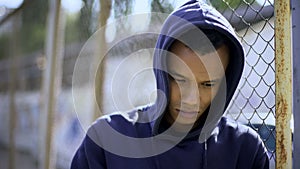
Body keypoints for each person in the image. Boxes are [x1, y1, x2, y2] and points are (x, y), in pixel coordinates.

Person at [71, 0, 270, 169]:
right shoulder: (106, 141)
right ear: (160, 71)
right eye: (180, 80)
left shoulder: (245, 151)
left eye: (208, 84)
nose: (192, 100)